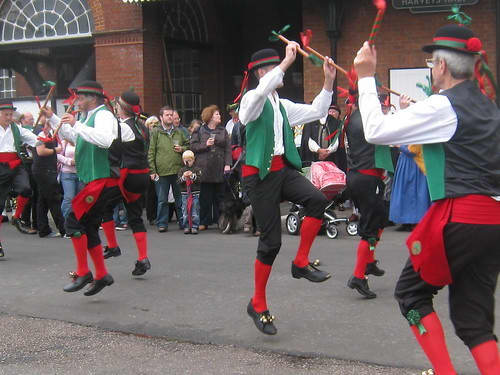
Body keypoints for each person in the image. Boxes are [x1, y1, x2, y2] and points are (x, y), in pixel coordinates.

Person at [354, 24, 500, 374]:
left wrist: (365, 77)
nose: (432, 68)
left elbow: (375, 131)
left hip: (462, 217)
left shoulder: (443, 106)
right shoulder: (489, 108)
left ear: (443, 67)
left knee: (411, 295)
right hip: (493, 222)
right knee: (474, 322)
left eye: (432, 62)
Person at [238, 43, 335, 335]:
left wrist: (329, 80)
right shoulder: (252, 102)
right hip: (259, 176)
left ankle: (301, 262)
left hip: (282, 171)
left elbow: (318, 110)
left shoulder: (282, 105)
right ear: (263, 72)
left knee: (317, 200)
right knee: (271, 242)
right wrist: (284, 64)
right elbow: (249, 110)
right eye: (276, 68)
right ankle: (257, 303)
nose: (283, 72)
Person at [43, 80, 133, 296]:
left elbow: (104, 140)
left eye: (80, 97)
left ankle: (84, 272)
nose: (77, 101)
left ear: (92, 98)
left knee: (73, 221)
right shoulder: (90, 116)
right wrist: (53, 118)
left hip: (101, 179)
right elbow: (77, 139)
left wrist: (76, 124)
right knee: (89, 227)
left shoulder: (104, 115)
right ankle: (102, 274)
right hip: (94, 178)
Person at [344, 94, 392, 299]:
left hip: (359, 176)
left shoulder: (355, 117)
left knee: (380, 218)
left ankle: (369, 261)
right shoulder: (367, 118)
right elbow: (389, 132)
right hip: (366, 178)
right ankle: (358, 276)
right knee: (372, 226)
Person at [102, 91, 152, 276]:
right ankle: (142, 258)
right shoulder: (141, 125)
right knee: (135, 218)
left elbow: (106, 142)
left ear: (122, 108)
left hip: (127, 176)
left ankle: (113, 246)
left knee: (105, 207)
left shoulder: (122, 127)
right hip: (142, 176)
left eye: (118, 105)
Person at [0, 100, 40, 256]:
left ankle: (16, 217)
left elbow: (32, 138)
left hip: (16, 165)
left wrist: (43, 141)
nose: (9, 117)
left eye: (11, 114)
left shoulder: (16, 129)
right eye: (6, 114)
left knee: (26, 189)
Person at [189, 105, 231, 231]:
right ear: (210, 116)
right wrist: (205, 145)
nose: (219, 116)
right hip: (204, 168)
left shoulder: (223, 131)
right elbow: (193, 147)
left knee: (220, 197)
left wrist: (227, 164)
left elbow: (228, 149)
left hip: (219, 166)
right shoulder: (199, 131)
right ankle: (204, 221)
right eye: (217, 114)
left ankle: (221, 221)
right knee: (205, 197)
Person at [148, 106, 188, 232]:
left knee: (180, 199)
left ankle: (183, 221)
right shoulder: (156, 132)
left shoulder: (180, 132)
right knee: (162, 200)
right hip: (161, 171)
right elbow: (151, 152)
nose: (170, 117)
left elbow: (189, 145)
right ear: (161, 117)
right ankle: (162, 223)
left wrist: (182, 149)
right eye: (167, 115)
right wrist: (152, 171)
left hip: (178, 171)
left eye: (171, 115)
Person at [32, 116, 66, 238]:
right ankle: (63, 229)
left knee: (43, 200)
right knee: (54, 199)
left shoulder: (45, 134)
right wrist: (56, 150)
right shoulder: (40, 133)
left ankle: (43, 228)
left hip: (45, 170)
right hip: (44, 171)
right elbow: (41, 151)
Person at [58, 139, 84, 221]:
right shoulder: (64, 142)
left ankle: (76, 220)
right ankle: (64, 222)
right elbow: (57, 155)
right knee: (69, 198)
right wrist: (69, 161)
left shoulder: (82, 140)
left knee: (79, 198)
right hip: (67, 173)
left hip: (81, 173)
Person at [177, 150, 202, 234]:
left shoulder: (197, 169)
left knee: (195, 210)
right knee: (185, 210)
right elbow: (179, 182)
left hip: (195, 193)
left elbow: (199, 180)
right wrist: (184, 177)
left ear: (193, 160)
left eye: (189, 160)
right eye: (186, 161)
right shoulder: (181, 170)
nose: (187, 162)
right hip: (185, 194)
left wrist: (192, 176)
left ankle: (194, 226)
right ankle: (186, 226)